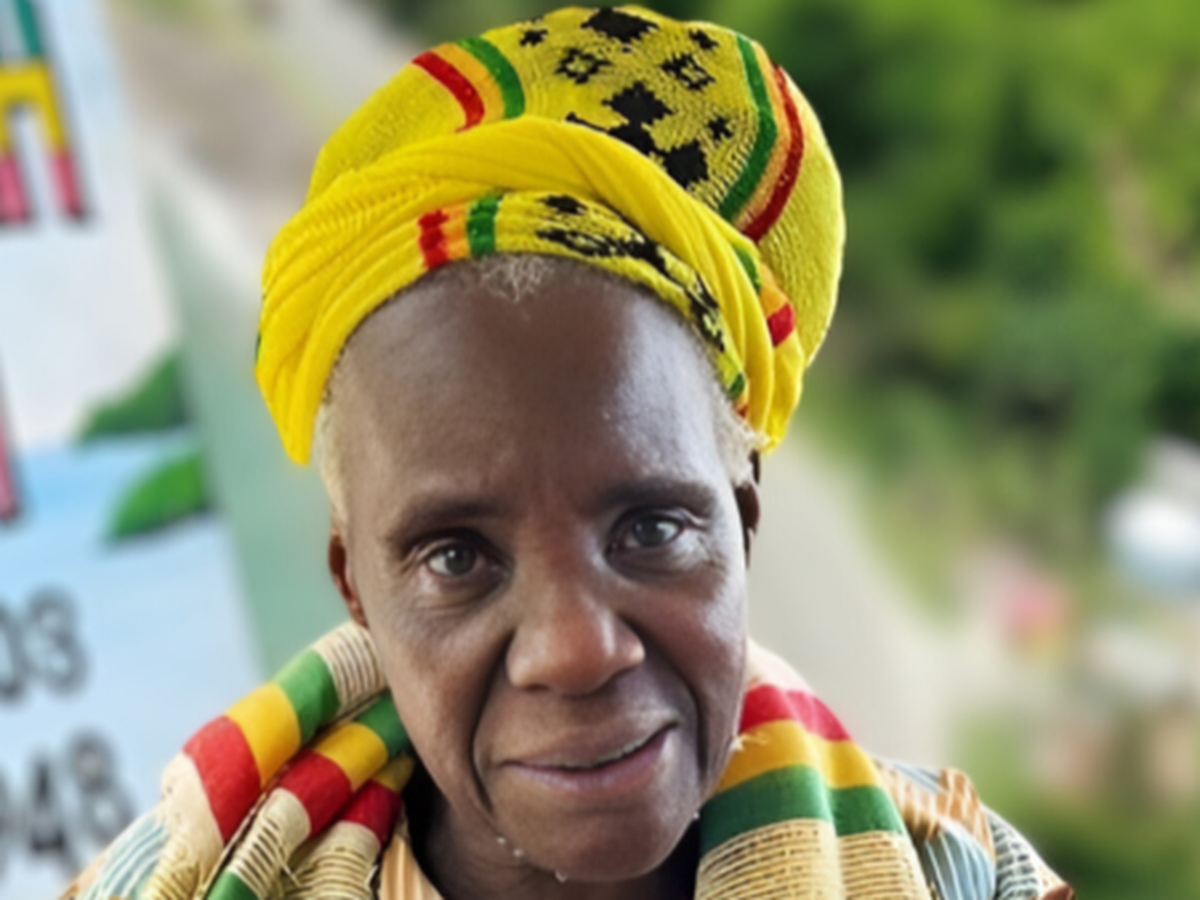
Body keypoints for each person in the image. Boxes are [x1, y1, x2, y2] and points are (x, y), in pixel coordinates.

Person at [64, 7, 1072, 899]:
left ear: (741, 519)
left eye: (652, 529)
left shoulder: (963, 876)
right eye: (456, 557)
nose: (576, 650)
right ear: (356, 586)